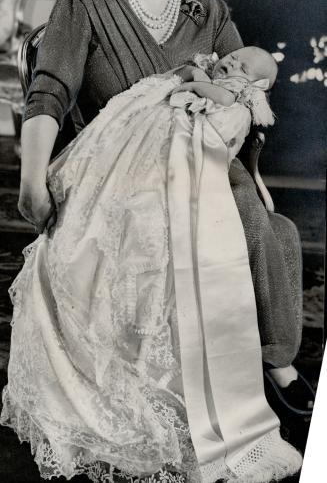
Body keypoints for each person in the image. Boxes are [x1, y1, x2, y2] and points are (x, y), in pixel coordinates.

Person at [2, 0, 313, 480]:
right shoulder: (84, 2)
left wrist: (226, 106)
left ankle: (272, 365)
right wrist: (33, 180)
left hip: (198, 167)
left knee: (263, 226)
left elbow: (245, 84)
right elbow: (48, 96)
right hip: (115, 173)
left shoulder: (208, 10)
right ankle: (155, 399)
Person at [1, 45, 303, 483]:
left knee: (273, 232)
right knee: (130, 218)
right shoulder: (91, 7)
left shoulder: (224, 66)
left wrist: (210, 91)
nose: (231, 64)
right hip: (138, 151)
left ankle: (274, 358)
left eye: (240, 68)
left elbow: (221, 104)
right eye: (232, 58)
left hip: (191, 160)